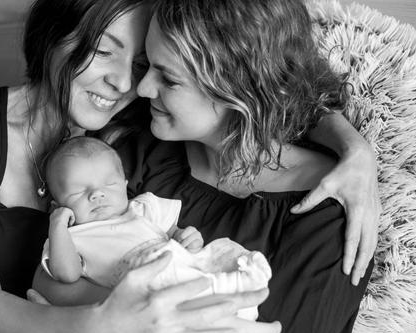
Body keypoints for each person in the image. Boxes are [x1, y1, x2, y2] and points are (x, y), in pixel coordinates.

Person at [0, 0, 378, 333]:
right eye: (104, 51)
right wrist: (109, 331)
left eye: (149, 65)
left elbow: (263, 84)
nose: (131, 82)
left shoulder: (132, 131)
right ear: (56, 32)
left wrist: (355, 150)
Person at [40, 135, 272, 323]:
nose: (97, 194)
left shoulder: (144, 208)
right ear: (58, 206)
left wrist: (185, 237)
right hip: (146, 289)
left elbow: (173, 232)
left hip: (180, 266)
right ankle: (223, 292)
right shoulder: (71, 238)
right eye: (78, 192)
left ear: (124, 186)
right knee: (159, 269)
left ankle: (241, 287)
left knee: (223, 250)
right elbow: (67, 275)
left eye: (109, 184)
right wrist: (57, 225)